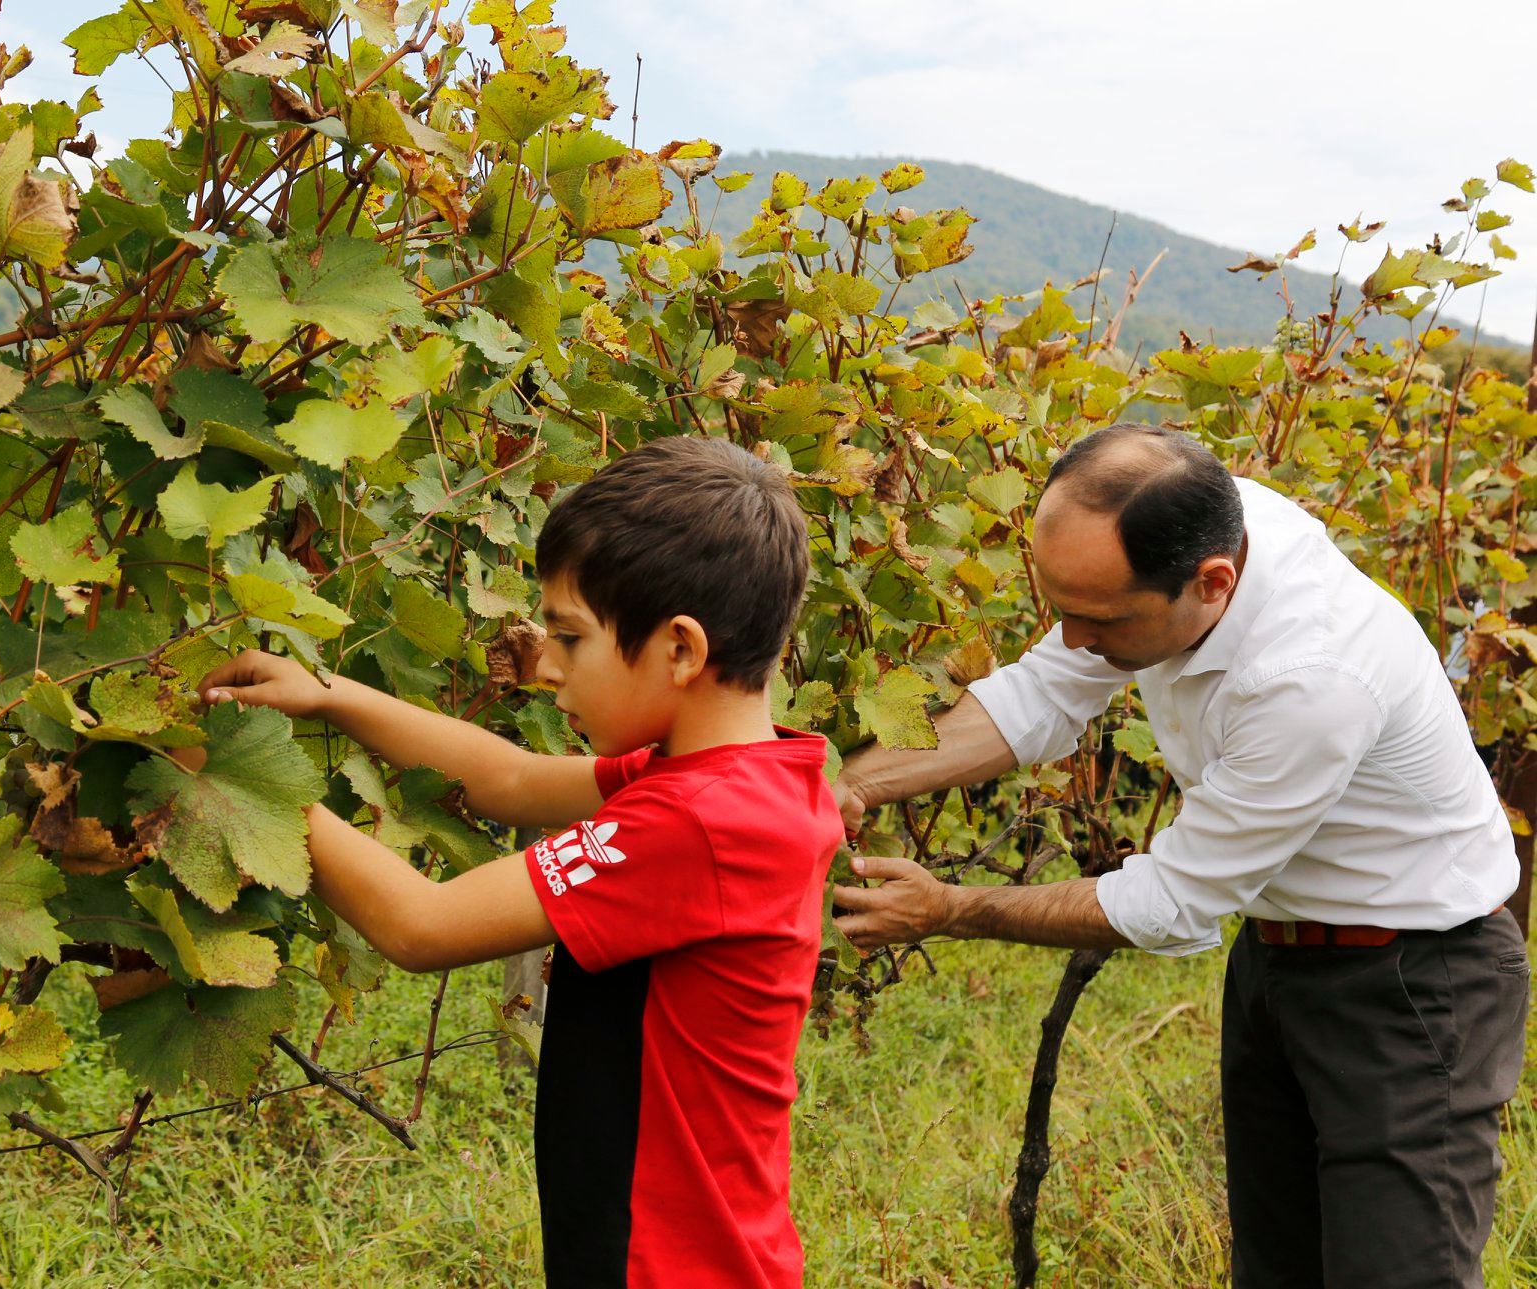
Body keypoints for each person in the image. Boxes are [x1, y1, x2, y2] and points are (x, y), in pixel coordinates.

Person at [830, 424, 1527, 1288]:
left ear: (1213, 582)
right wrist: (846, 784)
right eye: (1061, 607)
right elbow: (1043, 690)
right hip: (1277, 957)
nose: (1071, 638)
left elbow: (1170, 899)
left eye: (1100, 619)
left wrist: (952, 908)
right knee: (1275, 1271)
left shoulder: (1311, 679)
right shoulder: (1194, 525)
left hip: (1415, 985)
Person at [197, 435, 842, 1289]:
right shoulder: (736, 780)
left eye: (571, 638)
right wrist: (328, 693)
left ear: (681, 650)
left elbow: (420, 925)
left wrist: (238, 778)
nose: (550, 668)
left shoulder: (698, 823)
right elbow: (511, 779)